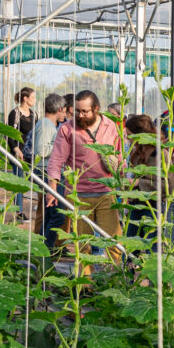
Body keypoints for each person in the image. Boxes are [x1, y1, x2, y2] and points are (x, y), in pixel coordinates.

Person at [45, 89, 125, 258]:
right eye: (77, 111)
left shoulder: (110, 126)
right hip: (79, 194)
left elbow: (120, 157)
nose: (79, 115)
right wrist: (52, 186)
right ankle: (85, 283)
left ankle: (115, 279)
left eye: (84, 111)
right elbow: (56, 159)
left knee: (114, 242)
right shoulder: (67, 129)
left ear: (96, 108)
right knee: (83, 245)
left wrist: (124, 184)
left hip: (106, 192)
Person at [28, 94, 66, 250]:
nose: (65, 114)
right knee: (57, 215)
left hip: (49, 171)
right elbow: (41, 150)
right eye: (64, 111)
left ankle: (43, 246)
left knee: (50, 213)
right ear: (59, 109)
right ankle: (47, 247)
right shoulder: (45, 125)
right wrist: (62, 149)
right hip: (46, 172)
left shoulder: (48, 124)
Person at [124, 113, 168, 248]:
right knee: (130, 247)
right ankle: (129, 268)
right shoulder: (137, 151)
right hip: (136, 205)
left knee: (152, 247)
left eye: (129, 134)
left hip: (153, 207)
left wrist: (138, 183)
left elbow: (165, 186)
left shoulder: (159, 153)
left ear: (139, 134)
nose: (127, 138)